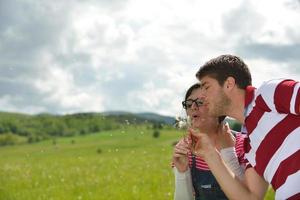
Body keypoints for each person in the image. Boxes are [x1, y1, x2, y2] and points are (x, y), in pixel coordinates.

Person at [192, 54, 300, 200]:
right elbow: (250, 198)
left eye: (206, 87)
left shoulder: (266, 94)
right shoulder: (251, 146)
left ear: (229, 84)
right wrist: (210, 155)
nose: (201, 96)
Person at [172, 83, 246, 200]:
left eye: (200, 102)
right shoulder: (186, 148)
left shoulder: (244, 145)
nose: (193, 107)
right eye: (189, 103)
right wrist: (182, 172)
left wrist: (228, 152)